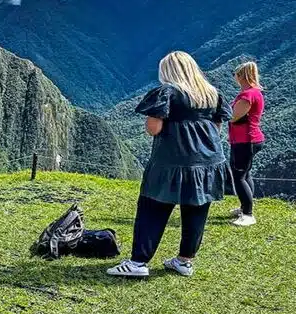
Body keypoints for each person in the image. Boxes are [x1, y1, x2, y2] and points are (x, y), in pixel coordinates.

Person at [107, 51, 232, 278]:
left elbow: (154, 128)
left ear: (168, 71)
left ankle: (138, 262)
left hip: (172, 160)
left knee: (153, 206)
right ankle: (184, 261)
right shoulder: (211, 94)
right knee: (197, 209)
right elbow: (217, 129)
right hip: (208, 161)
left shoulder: (167, 93)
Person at [228, 62, 265, 227]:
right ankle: (245, 207)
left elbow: (233, 117)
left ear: (241, 76)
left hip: (245, 140)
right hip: (248, 140)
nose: (235, 77)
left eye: (236, 74)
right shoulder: (253, 93)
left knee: (239, 176)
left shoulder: (247, 95)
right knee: (245, 174)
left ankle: (248, 214)